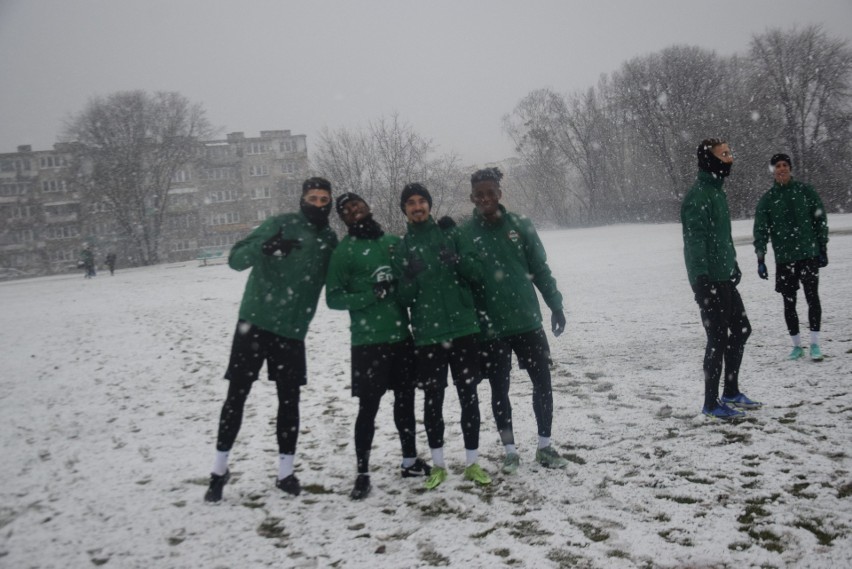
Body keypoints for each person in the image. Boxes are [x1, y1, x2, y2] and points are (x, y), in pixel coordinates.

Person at [204, 177, 338, 502]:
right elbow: (236, 259)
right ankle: (219, 472)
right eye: (313, 198)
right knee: (237, 396)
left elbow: (344, 273)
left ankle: (285, 473)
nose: (318, 204)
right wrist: (263, 249)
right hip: (256, 323)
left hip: (292, 331)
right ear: (302, 199)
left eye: (324, 199)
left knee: (289, 402)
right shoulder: (280, 224)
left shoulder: (330, 239)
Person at [460, 167, 569, 474]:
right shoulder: (465, 233)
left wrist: (555, 305)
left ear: (500, 194)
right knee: (499, 390)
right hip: (490, 328)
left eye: (490, 192)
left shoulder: (520, 225)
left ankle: (545, 446)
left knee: (543, 384)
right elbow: (461, 278)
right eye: (479, 194)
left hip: (527, 322)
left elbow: (540, 268)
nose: (485, 198)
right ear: (472, 198)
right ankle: (510, 451)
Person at [325, 192, 431, 500]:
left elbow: (406, 284)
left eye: (357, 204)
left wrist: (407, 279)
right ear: (342, 218)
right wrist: (371, 295)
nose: (353, 210)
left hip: (400, 338)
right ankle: (362, 473)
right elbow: (333, 298)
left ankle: (409, 461)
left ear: (368, 206)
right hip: (367, 343)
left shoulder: (391, 242)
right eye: (346, 210)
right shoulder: (343, 253)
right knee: (367, 409)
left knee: (405, 403)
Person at [391, 183, 491, 489]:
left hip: (463, 330)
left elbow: (478, 273)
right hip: (428, 336)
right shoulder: (403, 247)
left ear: (429, 205)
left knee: (468, 396)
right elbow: (403, 298)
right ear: (405, 209)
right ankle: (438, 465)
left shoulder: (453, 235)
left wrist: (458, 262)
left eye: (422, 201)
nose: (417, 206)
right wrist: (408, 276)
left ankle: (472, 463)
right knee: (432, 401)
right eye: (411, 202)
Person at [681, 139, 761, 421]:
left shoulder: (717, 193)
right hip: (709, 280)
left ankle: (730, 391)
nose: (730, 158)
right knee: (717, 338)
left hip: (724, 276)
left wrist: (733, 264)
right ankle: (710, 403)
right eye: (724, 154)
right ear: (709, 160)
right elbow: (695, 242)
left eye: (730, 152)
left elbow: (721, 238)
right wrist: (701, 280)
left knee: (740, 330)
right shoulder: (699, 196)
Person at [753, 153, 829, 362]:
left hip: (808, 254)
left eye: (785, 165)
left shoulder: (805, 192)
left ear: (790, 168)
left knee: (812, 298)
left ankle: (814, 343)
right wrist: (761, 258)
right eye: (777, 166)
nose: (782, 169)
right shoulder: (768, 200)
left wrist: (822, 247)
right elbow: (760, 230)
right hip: (785, 259)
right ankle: (796, 346)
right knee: (789, 302)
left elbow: (820, 219)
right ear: (773, 171)